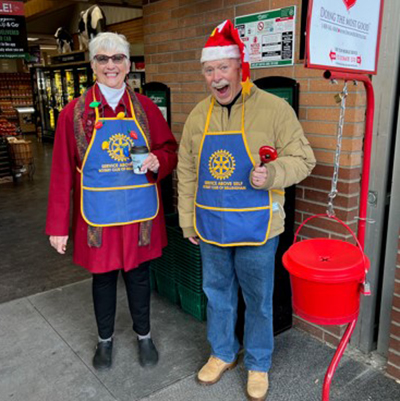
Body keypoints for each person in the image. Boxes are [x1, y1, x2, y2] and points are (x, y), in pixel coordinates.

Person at [177, 20, 316, 401]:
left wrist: (272, 174)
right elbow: (187, 170)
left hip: (259, 226)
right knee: (217, 293)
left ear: (239, 68)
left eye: (223, 68)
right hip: (210, 226)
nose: (216, 77)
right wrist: (187, 219)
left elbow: (305, 159)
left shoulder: (274, 110)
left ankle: (257, 362)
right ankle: (223, 352)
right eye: (209, 70)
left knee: (258, 298)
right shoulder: (196, 117)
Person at [46, 32, 177, 371]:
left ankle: (144, 336)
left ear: (129, 65)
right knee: (102, 278)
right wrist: (58, 226)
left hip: (139, 213)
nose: (110, 65)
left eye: (117, 58)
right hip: (97, 215)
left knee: (138, 276)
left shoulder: (146, 109)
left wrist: (157, 161)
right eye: (102, 59)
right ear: (92, 66)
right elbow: (62, 172)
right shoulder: (73, 114)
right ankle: (104, 341)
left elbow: (169, 151)